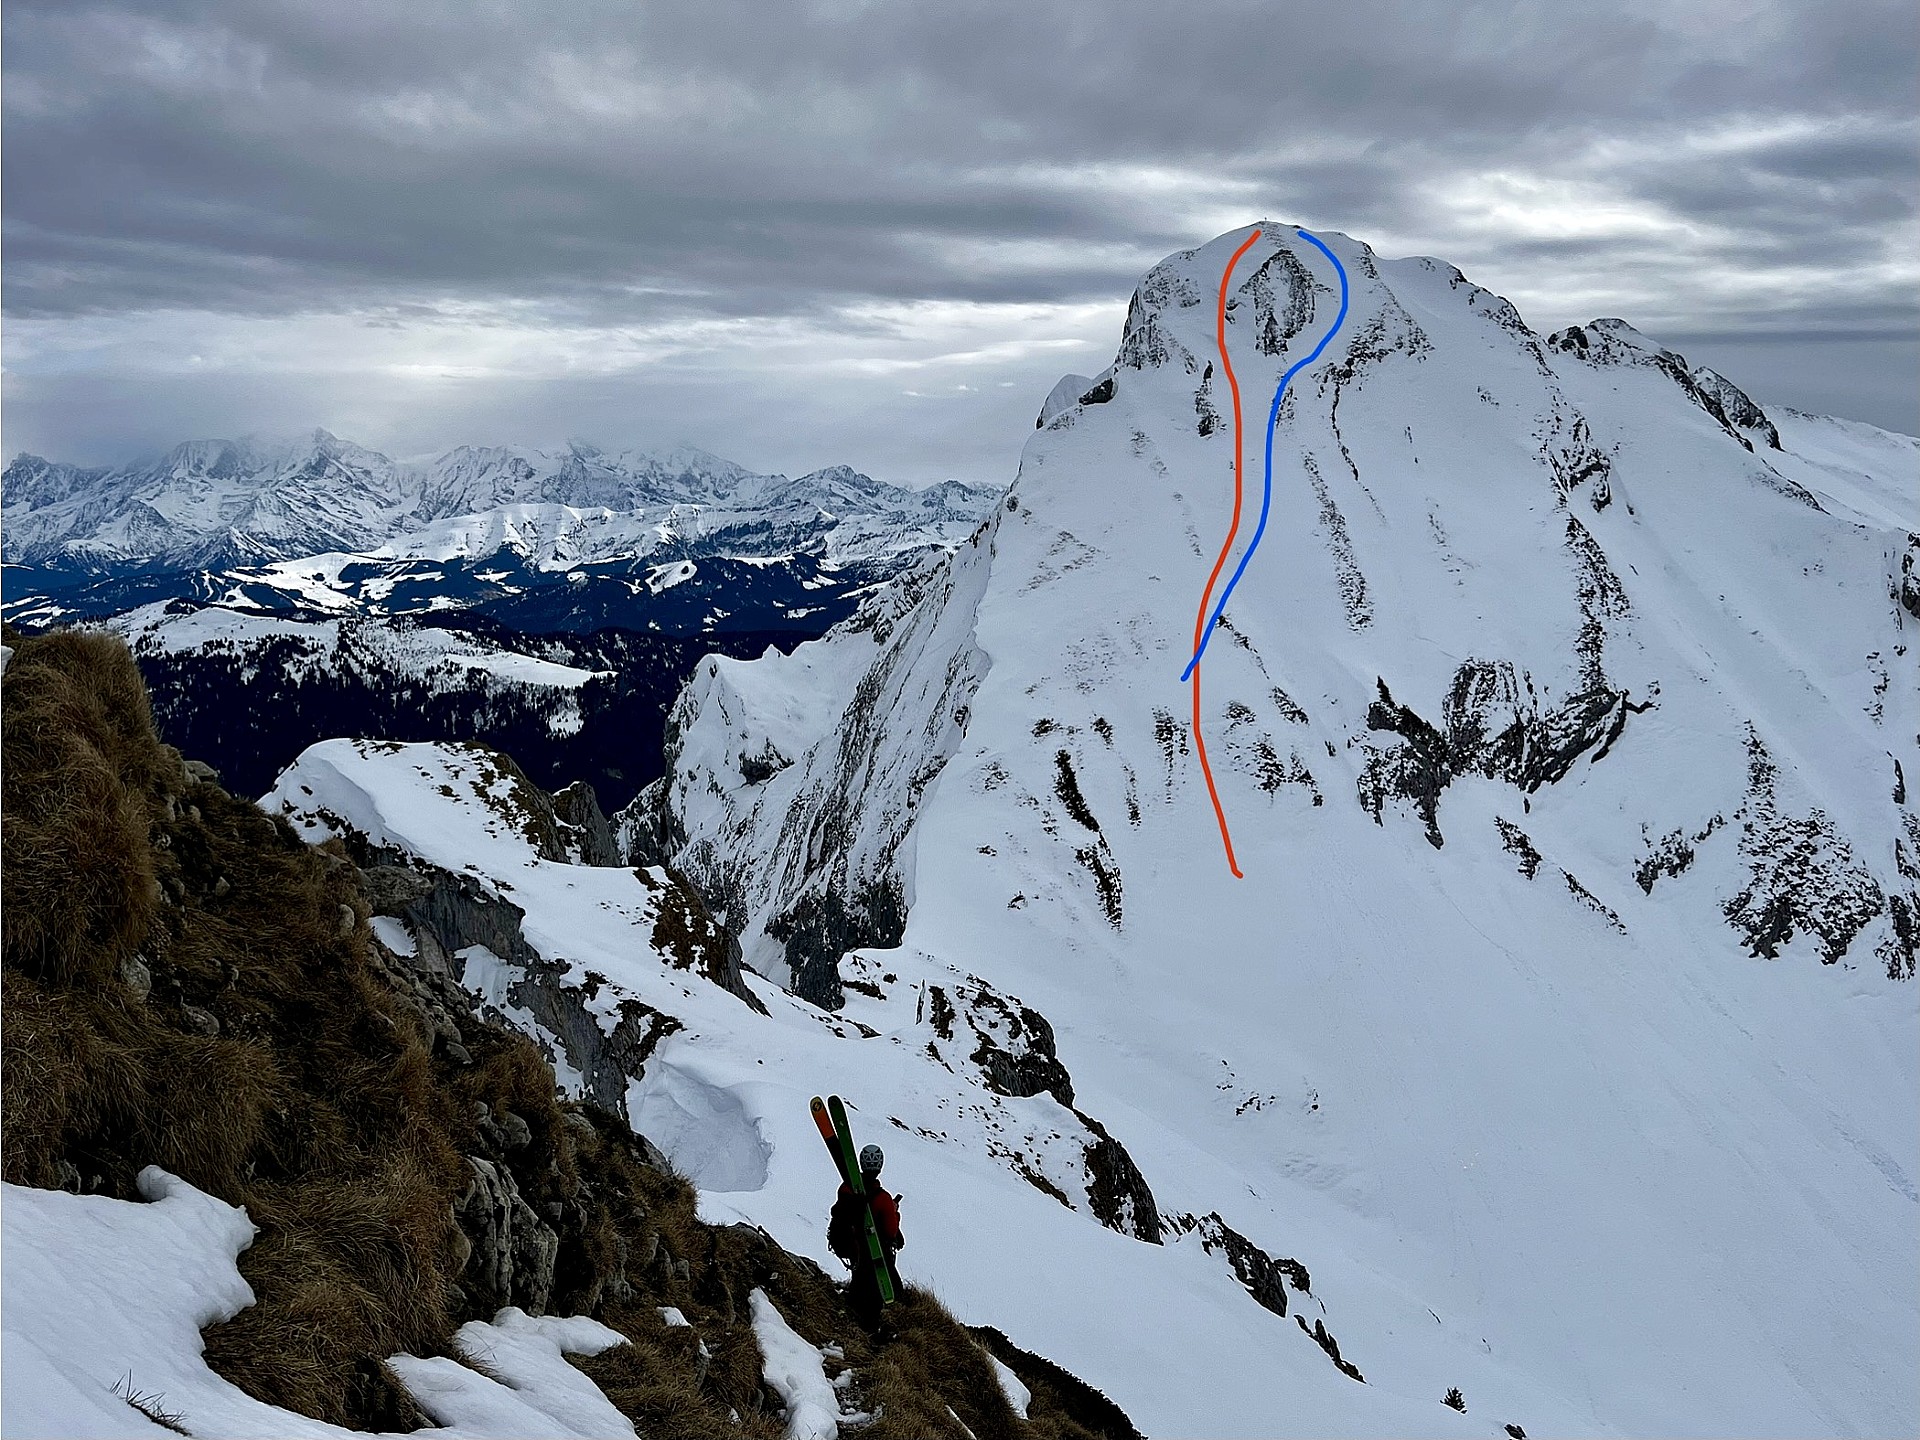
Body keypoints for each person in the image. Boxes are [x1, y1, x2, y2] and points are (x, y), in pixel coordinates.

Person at [828, 1143, 904, 1332]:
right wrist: (895, 1213)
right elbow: (890, 1232)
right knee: (882, 1293)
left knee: (859, 1282)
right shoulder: (883, 1199)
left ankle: (851, 1310)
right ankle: (869, 1330)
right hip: (873, 1255)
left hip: (852, 1247)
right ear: (880, 1166)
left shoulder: (845, 1189)